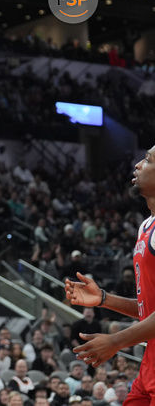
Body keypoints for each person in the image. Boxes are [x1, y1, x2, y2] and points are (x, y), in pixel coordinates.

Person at [66, 145, 155, 403]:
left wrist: (115, 341)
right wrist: (104, 299)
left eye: (148, 161)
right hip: (149, 363)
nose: (138, 164)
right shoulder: (146, 227)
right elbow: (149, 310)